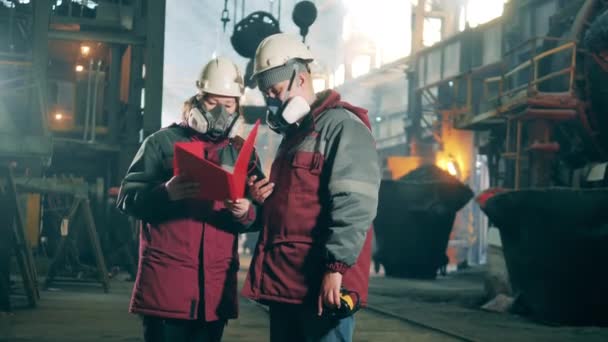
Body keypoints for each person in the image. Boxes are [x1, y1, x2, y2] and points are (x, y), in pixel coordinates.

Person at [242, 33, 381, 342]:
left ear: (300, 77)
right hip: (286, 283)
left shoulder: (343, 127)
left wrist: (336, 268)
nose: (273, 100)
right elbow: (294, 206)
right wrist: (261, 200)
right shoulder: (294, 136)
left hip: (320, 284)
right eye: (267, 93)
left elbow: (355, 203)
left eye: (276, 90)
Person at [117, 57, 264, 342]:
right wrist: (165, 193)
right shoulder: (161, 144)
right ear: (197, 101)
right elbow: (127, 199)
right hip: (167, 290)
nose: (221, 111)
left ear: (238, 106)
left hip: (214, 294)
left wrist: (246, 211)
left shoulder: (242, 153)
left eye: (229, 104)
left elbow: (260, 215)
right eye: (212, 102)